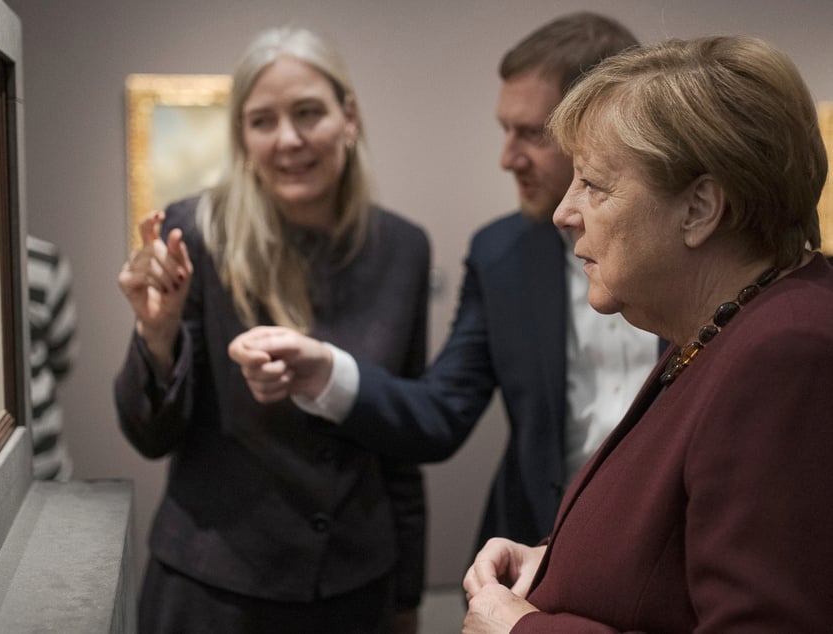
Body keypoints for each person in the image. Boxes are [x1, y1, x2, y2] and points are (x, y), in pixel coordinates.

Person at [229, 12, 659, 554]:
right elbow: (438, 415)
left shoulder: (691, 248)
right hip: (534, 563)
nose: (507, 158)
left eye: (531, 134)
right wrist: (325, 371)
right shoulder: (499, 256)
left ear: (603, 127)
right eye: (504, 130)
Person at [461, 35, 833, 633]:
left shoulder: (786, 354)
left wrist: (521, 630)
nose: (564, 211)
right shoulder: (725, 325)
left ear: (699, 209)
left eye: (594, 185)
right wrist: (556, 561)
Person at [113, 26, 430, 634]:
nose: (288, 139)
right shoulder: (197, 233)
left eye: (308, 112)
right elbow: (152, 437)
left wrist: (407, 593)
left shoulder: (403, 248)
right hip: (214, 587)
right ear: (242, 137)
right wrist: (157, 338)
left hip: (355, 588)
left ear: (349, 117)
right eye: (262, 121)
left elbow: (401, 441)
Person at [26, 234, 78, 481]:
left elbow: (63, 359)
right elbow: (63, 358)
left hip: (43, 463)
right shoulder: (42, 259)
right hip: (42, 458)